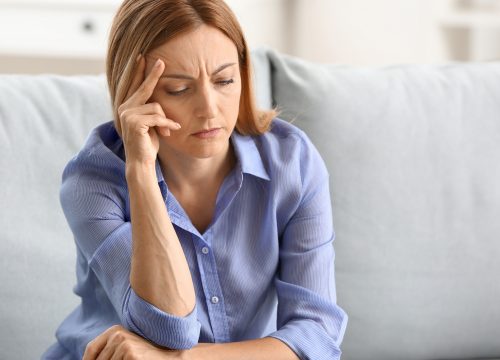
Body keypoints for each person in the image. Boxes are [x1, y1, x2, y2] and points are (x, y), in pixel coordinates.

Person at [42, 0, 348, 359]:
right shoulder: (91, 183)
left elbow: (317, 336)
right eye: (178, 89)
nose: (210, 109)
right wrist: (141, 172)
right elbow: (167, 327)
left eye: (224, 80)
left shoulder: (292, 162)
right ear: (133, 92)